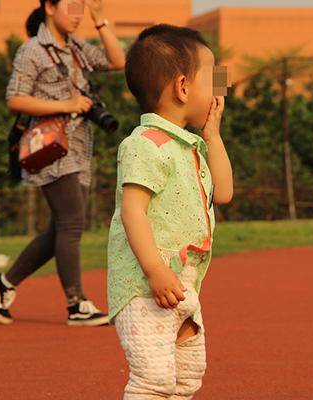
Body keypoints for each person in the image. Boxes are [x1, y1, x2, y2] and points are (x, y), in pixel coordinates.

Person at [107, 24, 234, 399]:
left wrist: (213, 135)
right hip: (146, 286)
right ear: (182, 87)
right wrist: (155, 270)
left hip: (183, 285)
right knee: (153, 381)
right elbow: (133, 211)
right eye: (213, 79)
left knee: (186, 379)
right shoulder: (144, 144)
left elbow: (223, 193)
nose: (220, 90)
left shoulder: (191, 146)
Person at [0, 0, 125, 327]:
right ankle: (77, 304)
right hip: (49, 147)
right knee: (72, 224)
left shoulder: (77, 48)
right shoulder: (32, 50)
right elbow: (15, 98)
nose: (77, 15)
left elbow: (117, 61)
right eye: (71, 7)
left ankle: (3, 284)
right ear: (49, 6)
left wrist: (101, 21)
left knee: (59, 230)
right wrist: (67, 103)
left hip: (78, 146)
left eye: (81, 8)